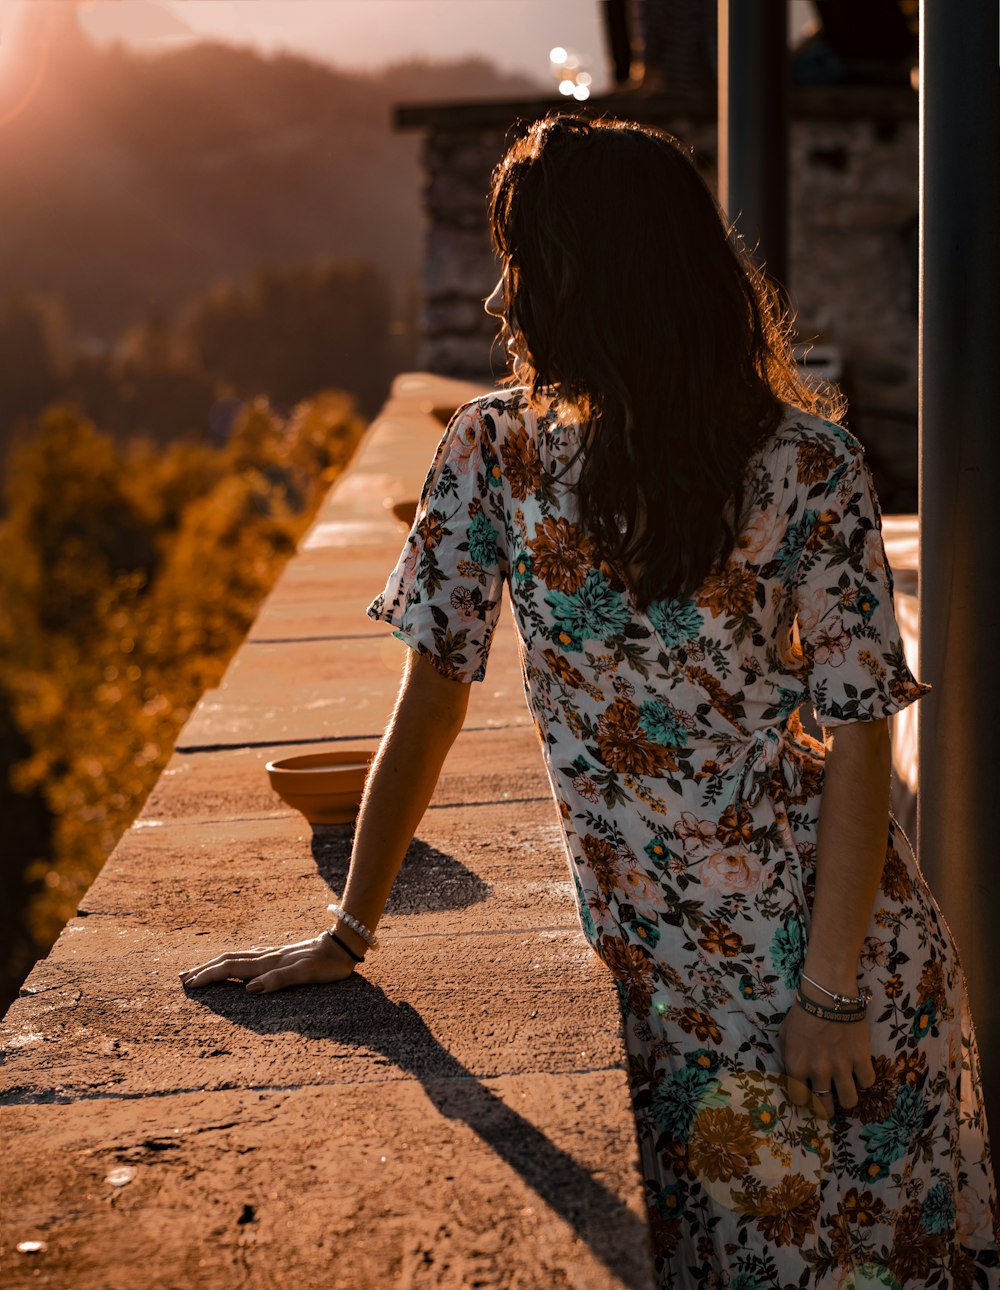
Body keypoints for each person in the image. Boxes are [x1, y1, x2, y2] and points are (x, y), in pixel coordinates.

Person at [181, 116, 998, 1287]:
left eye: (523, 261)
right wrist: (350, 932)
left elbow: (863, 737)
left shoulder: (803, 465)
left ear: (582, 277)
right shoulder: (496, 452)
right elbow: (427, 708)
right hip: (671, 1005)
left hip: (832, 992)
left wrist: (828, 995)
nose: (500, 298)